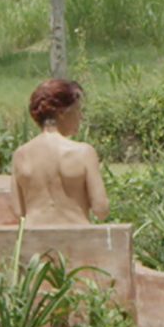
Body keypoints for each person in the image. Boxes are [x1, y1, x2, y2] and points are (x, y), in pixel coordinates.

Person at [12, 77, 108, 224]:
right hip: (76, 235)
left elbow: (19, 211)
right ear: (62, 112)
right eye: (77, 110)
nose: (80, 117)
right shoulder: (83, 153)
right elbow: (100, 209)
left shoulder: (21, 154)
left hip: (36, 237)